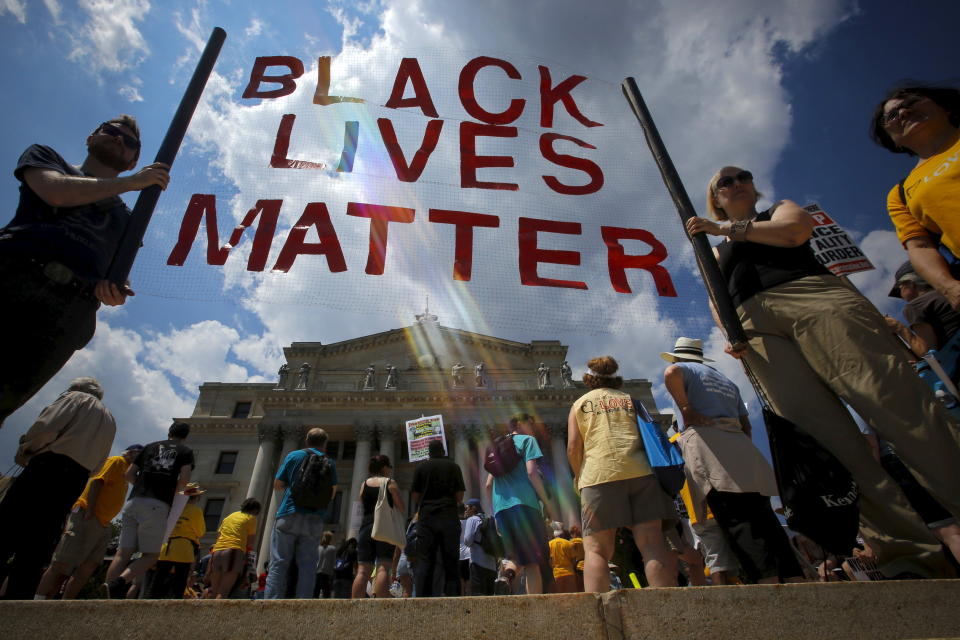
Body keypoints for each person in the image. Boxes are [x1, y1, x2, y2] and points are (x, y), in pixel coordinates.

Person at [685, 165, 960, 578]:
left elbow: (794, 233)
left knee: (899, 408)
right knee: (828, 444)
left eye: (743, 176)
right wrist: (729, 328)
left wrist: (724, 228)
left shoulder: (774, 212)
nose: (737, 183)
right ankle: (906, 555)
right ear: (716, 196)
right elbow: (713, 295)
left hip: (813, 298)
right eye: (726, 182)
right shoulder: (714, 250)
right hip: (756, 326)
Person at [0, 116, 170, 425]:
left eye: (129, 142)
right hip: (13, 277)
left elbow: (116, 275)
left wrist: (115, 291)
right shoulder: (48, 158)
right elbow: (55, 192)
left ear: (133, 160)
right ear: (92, 136)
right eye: (112, 131)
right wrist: (131, 185)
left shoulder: (127, 220)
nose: (119, 139)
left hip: (67, 312)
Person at [662, 337, 803, 584]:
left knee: (736, 520)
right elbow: (746, 425)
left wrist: (685, 408)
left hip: (711, 446)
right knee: (765, 517)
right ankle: (795, 577)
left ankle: (766, 583)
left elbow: (671, 372)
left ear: (680, 357)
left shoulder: (684, 369)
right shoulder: (725, 381)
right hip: (741, 447)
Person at [566, 358, 678, 591]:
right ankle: (667, 605)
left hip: (599, 475)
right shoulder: (631, 400)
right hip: (641, 473)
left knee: (597, 549)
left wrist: (578, 476)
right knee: (652, 544)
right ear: (615, 377)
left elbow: (573, 447)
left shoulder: (580, 404)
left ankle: (599, 611)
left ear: (588, 379)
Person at [0, 377, 116, 599]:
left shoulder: (74, 398)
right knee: (41, 541)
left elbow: (46, 427)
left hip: (48, 466)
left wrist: (26, 449)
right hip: (77, 479)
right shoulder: (110, 419)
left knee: (8, 528)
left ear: (74, 388)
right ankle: (18, 599)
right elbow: (101, 461)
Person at [870, 85, 960, 309]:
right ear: (892, 140)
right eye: (891, 115)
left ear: (944, 107)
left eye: (911, 103)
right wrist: (950, 287)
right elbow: (920, 246)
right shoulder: (900, 194)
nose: (903, 113)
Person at [34, 443, 142, 600]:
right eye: (140, 454)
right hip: (89, 516)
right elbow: (97, 482)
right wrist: (90, 510)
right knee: (62, 562)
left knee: (89, 565)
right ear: (131, 452)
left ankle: (66, 604)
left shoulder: (127, 471)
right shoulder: (117, 461)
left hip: (103, 522)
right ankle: (39, 600)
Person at [104, 421, 194, 598]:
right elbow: (184, 481)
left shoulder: (149, 447)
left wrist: (144, 485)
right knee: (151, 556)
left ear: (169, 432)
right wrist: (168, 490)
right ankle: (120, 582)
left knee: (122, 553)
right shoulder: (185, 452)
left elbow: (129, 474)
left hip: (133, 501)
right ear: (185, 436)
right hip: (157, 504)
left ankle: (106, 594)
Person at [485, 413, 558, 594]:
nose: (533, 429)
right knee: (533, 562)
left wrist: (494, 514)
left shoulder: (496, 446)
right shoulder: (527, 441)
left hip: (501, 509)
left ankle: (506, 576)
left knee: (516, 556)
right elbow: (532, 473)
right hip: (525, 506)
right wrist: (547, 503)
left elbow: (488, 485)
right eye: (530, 425)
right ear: (519, 424)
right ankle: (536, 609)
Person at [264, 427, 338, 599]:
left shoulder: (293, 456)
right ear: (325, 444)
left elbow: (278, 484)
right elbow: (332, 493)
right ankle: (303, 604)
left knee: (279, 562)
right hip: (314, 518)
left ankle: (270, 603)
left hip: (289, 513)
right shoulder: (329, 462)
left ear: (306, 440)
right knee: (308, 565)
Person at [411, 439, 465, 597]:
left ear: (429, 452)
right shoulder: (454, 466)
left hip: (427, 516)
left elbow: (415, 495)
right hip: (448, 515)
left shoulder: (421, 467)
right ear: (443, 451)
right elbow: (460, 496)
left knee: (425, 559)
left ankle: (423, 600)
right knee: (451, 560)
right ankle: (452, 598)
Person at [352, 454, 405, 598]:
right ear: (384, 467)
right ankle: (381, 602)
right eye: (389, 467)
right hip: (383, 528)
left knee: (363, 570)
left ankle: (355, 605)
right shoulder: (389, 482)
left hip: (366, 527)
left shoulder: (364, 483)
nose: (390, 470)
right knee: (383, 567)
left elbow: (361, 502)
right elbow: (401, 506)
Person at [887, 261, 960, 356]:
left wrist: (898, 327)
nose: (901, 296)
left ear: (910, 284)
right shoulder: (953, 293)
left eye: (899, 288)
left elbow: (927, 352)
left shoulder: (915, 306)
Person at [149, 483, 208, 599]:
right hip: (184, 548)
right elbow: (200, 532)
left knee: (158, 581)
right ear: (196, 497)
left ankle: (149, 605)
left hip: (166, 547)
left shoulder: (173, 509)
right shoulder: (196, 511)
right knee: (180, 582)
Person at [206, 498, 261, 599]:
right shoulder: (251, 518)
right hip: (234, 551)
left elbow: (219, 535)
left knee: (214, 591)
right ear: (255, 510)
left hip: (217, 551)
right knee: (224, 591)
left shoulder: (229, 517)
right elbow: (250, 542)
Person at [461, 498, 497, 596]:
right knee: (490, 596)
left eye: (467, 508)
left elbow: (467, 541)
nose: (465, 511)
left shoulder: (472, 520)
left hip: (478, 563)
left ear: (474, 508)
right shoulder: (489, 519)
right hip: (492, 565)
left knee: (478, 596)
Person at [548, 526, 579, 593]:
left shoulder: (549, 544)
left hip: (556, 574)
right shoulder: (569, 544)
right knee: (572, 597)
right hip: (569, 573)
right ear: (563, 534)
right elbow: (574, 561)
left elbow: (549, 561)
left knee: (559, 598)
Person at [315, 531, 336, 598]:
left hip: (317, 573)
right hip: (326, 574)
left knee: (315, 594)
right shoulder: (332, 549)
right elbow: (333, 562)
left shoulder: (318, 548)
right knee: (326, 595)